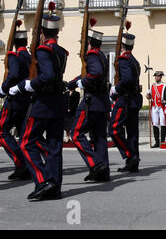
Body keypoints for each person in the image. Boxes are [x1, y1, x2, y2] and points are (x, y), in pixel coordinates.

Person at [10, 12, 68, 200]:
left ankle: (44, 181)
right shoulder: (60, 51)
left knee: (26, 142)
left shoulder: (44, 50)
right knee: (54, 146)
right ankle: (55, 185)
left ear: (42, 32)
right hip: (58, 103)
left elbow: (48, 76)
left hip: (43, 103)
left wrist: (27, 84)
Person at [68, 26, 111, 182]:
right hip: (101, 103)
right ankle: (103, 171)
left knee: (76, 134)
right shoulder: (101, 55)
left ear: (90, 44)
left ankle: (96, 164)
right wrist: (73, 83)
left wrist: (82, 83)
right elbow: (87, 74)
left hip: (91, 103)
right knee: (99, 137)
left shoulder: (92, 55)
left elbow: (95, 73)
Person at [109, 33, 143, 173]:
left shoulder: (124, 59)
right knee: (132, 133)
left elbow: (127, 79)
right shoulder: (134, 60)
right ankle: (132, 164)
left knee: (114, 128)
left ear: (122, 46)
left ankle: (130, 155)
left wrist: (115, 89)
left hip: (125, 100)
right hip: (133, 100)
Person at [0, 28, 31, 181]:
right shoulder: (29, 56)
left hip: (14, 101)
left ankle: (21, 164)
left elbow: (13, 74)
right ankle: (27, 165)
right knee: (24, 135)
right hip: (26, 101)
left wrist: (3, 88)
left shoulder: (15, 56)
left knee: (2, 131)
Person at [147, 71, 166, 148]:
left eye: (158, 76)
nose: (157, 77)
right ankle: (157, 142)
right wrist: (148, 96)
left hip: (162, 107)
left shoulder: (165, 86)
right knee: (155, 124)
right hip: (154, 107)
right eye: (156, 76)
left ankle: (163, 142)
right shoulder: (151, 86)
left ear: (161, 77)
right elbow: (149, 96)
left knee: (163, 124)